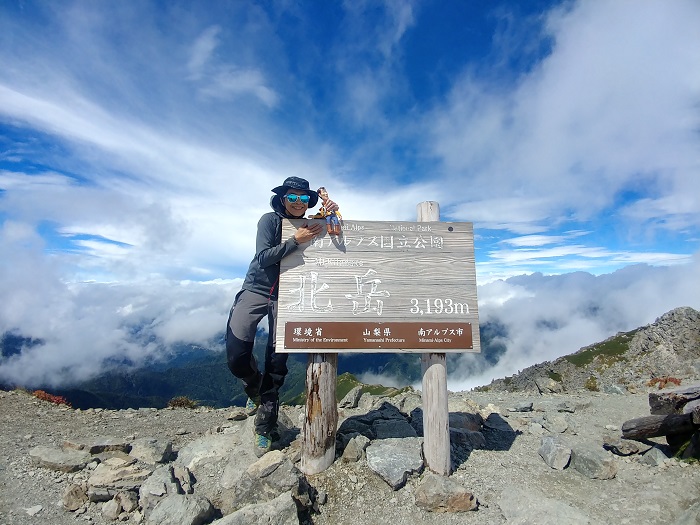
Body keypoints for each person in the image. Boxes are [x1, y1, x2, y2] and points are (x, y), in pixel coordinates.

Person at [225, 176, 338, 457]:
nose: (298, 202)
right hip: (256, 289)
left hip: (289, 296)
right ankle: (252, 385)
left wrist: (332, 210)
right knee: (236, 353)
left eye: (303, 198)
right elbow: (263, 257)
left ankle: (265, 426)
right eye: (293, 197)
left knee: (277, 362)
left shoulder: (309, 223)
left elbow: (335, 230)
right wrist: (294, 241)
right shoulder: (270, 221)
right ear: (283, 198)